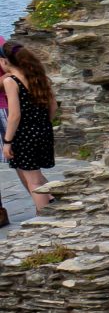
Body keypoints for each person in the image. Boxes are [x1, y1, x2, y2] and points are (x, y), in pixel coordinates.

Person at [1, 38, 57, 219]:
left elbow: (14, 115)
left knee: (33, 182)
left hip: (23, 136)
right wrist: (43, 124)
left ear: (5, 62)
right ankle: (55, 204)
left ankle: (44, 218)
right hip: (43, 132)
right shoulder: (39, 77)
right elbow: (53, 106)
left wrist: (8, 142)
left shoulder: (12, 82)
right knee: (37, 175)